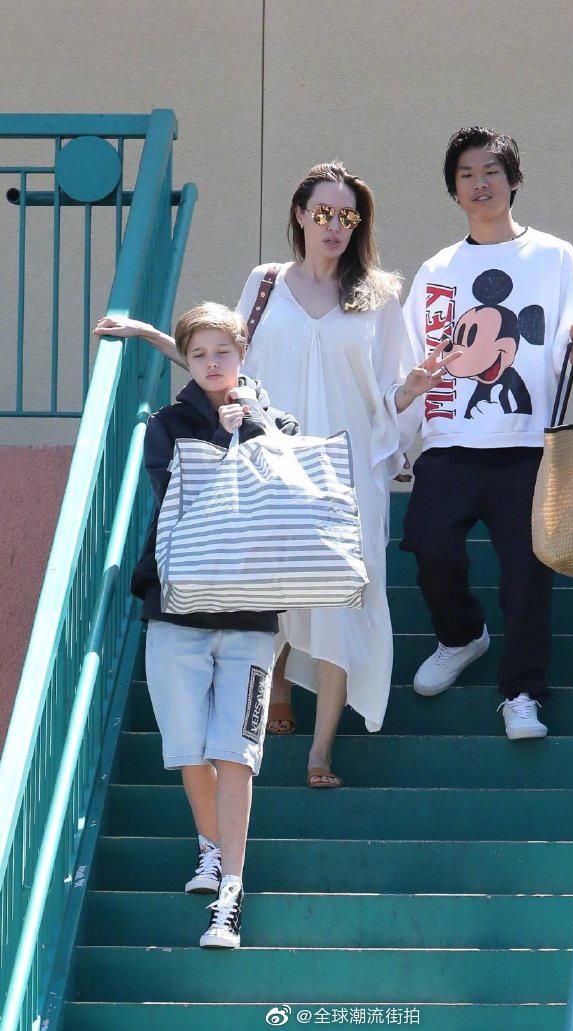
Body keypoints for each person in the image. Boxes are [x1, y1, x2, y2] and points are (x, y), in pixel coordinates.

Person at [96, 162, 447, 787]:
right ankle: (277, 686)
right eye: (323, 212)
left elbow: (390, 394)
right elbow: (221, 360)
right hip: (271, 461)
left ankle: (322, 749)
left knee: (344, 597)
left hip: (346, 471)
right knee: (272, 582)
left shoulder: (379, 295)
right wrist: (150, 334)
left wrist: (411, 390)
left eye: (348, 215)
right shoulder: (265, 283)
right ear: (300, 215)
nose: (335, 226)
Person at [401, 126, 573, 740]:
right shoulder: (438, 268)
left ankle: (522, 694)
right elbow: (414, 359)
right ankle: (462, 636)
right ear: (454, 189)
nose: (480, 184)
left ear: (514, 181)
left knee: (526, 575)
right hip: (449, 442)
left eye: (491, 172)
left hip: (528, 446)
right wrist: (402, 435)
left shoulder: (554, 256)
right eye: (466, 175)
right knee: (428, 545)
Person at [132, 301, 298, 948]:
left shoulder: (275, 422)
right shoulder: (167, 425)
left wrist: (252, 430)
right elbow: (180, 500)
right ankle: (210, 844)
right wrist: (221, 444)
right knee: (188, 746)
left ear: (242, 353)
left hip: (252, 613)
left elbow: (294, 492)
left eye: (221, 352)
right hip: (178, 608)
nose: (211, 363)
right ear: (187, 359)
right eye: (198, 354)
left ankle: (231, 890)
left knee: (237, 752)